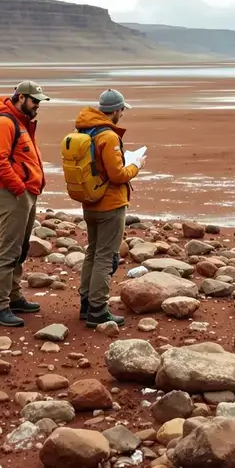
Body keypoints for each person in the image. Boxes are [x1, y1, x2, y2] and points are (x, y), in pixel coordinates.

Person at [73, 89, 145, 328]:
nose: (122, 114)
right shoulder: (108, 136)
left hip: (90, 201)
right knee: (105, 257)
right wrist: (136, 166)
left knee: (93, 252)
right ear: (115, 110)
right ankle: (98, 310)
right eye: (122, 110)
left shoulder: (85, 131)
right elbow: (117, 175)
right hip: (110, 204)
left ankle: (86, 304)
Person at [0, 80, 50, 327]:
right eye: (35, 101)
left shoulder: (21, 122)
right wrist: (19, 188)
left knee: (20, 248)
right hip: (13, 193)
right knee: (9, 249)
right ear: (21, 98)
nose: (38, 105)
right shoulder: (4, 123)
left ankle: (13, 297)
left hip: (25, 192)